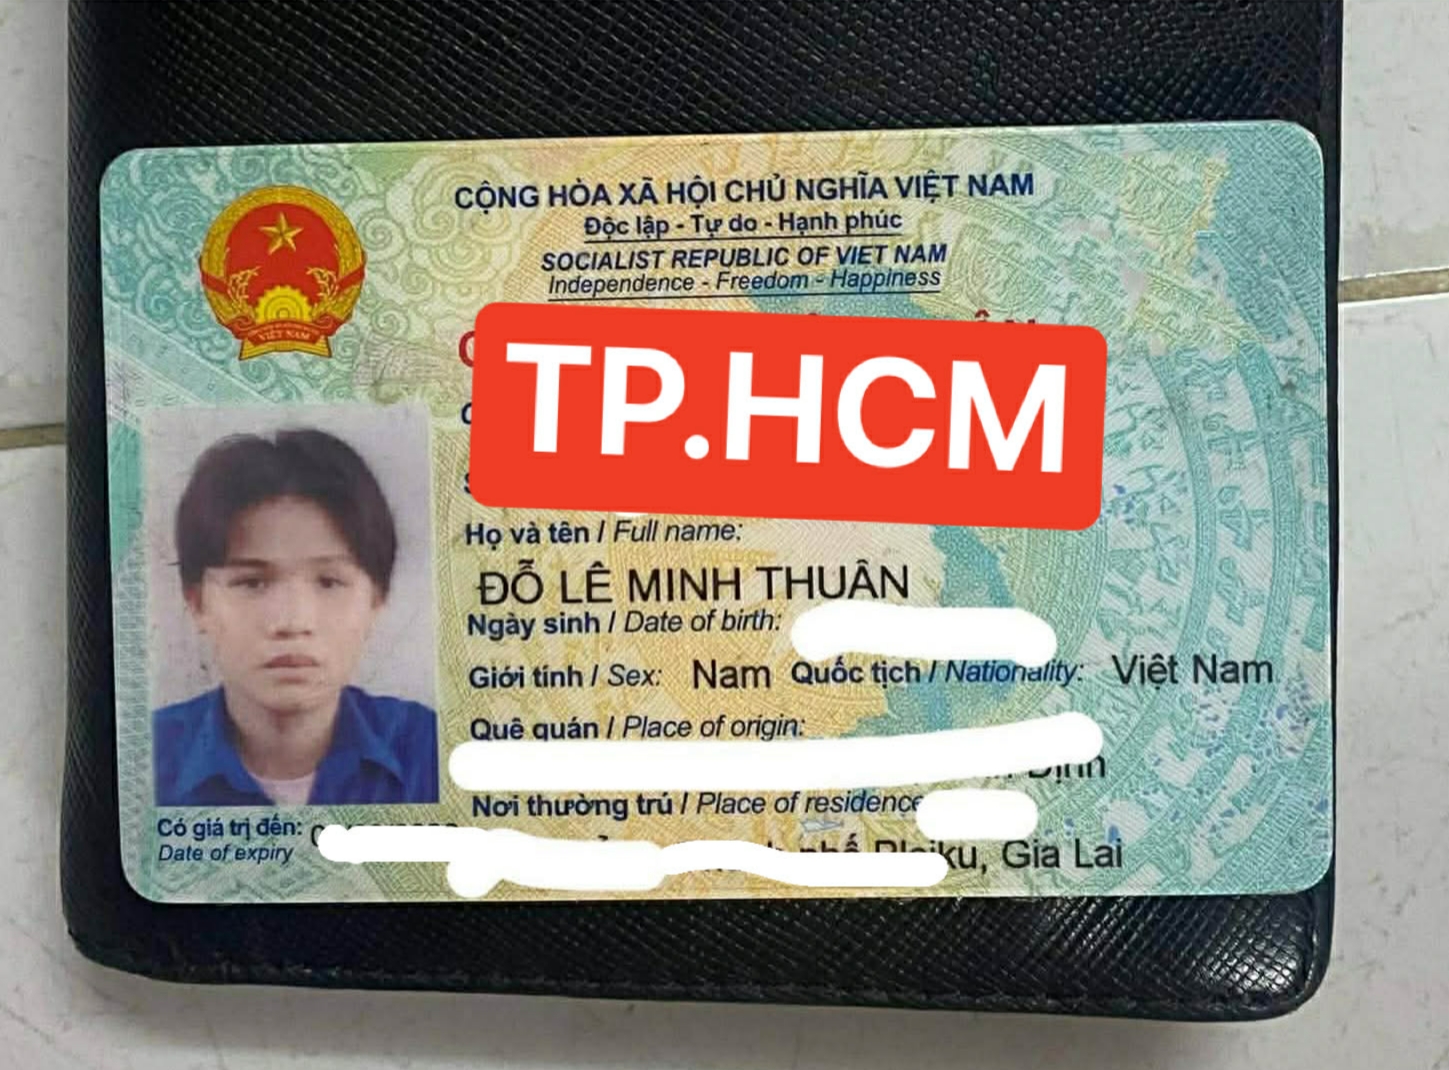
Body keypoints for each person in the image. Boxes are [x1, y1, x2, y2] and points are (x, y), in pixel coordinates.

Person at [152, 427, 439, 806]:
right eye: (252, 583)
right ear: (196, 602)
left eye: (329, 582)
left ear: (377, 599)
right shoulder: (142, 758)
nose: (292, 622)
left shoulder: (431, 751)